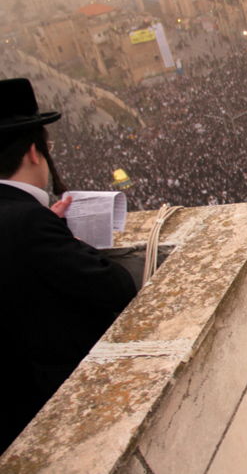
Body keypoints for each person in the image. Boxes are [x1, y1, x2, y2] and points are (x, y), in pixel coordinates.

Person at [0, 78, 137, 453]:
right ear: (33, 151)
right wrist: (70, 242)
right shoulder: (27, 223)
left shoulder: (23, 219)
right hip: (47, 417)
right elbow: (117, 286)